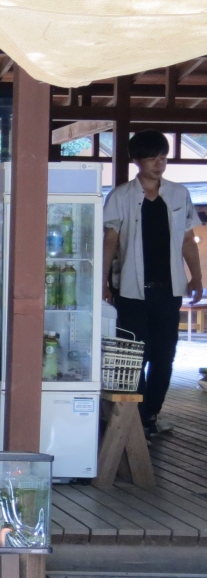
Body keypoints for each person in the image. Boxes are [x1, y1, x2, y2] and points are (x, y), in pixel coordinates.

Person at [102, 130, 204, 437]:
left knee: (164, 355)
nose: (160, 163)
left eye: (163, 157)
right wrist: (103, 282)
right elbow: (110, 241)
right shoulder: (121, 196)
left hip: (169, 289)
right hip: (130, 291)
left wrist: (197, 276)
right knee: (135, 357)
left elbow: (188, 239)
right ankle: (135, 419)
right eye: (152, 158)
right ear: (137, 160)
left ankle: (151, 415)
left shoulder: (178, 193)